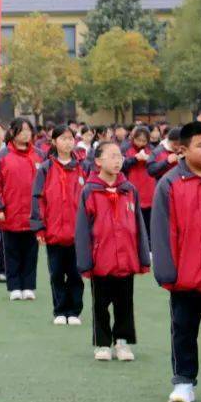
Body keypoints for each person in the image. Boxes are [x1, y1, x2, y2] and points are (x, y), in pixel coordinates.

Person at [150, 121, 201, 402]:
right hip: (185, 276)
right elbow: (160, 233)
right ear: (182, 150)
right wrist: (167, 272)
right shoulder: (169, 185)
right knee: (184, 330)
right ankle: (184, 383)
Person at [75, 140, 149, 362]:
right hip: (101, 259)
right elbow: (82, 229)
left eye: (120, 156)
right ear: (98, 161)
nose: (118, 160)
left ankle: (123, 342)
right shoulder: (90, 191)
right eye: (112, 156)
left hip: (126, 259)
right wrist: (85, 262)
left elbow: (138, 226)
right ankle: (102, 343)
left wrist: (142, 256)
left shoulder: (129, 190)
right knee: (100, 304)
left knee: (125, 303)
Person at [30, 125, 85, 326]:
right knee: (56, 273)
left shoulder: (82, 167)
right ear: (54, 142)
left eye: (71, 138)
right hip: (53, 231)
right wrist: (39, 227)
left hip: (78, 233)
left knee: (76, 274)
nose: (68, 142)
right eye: (63, 138)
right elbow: (38, 198)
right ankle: (60, 310)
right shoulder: (46, 168)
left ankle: (75, 310)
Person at [0, 117, 43, 301]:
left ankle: (28, 286)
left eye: (29, 130)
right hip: (10, 212)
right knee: (11, 250)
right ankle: (14, 286)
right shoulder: (2, 156)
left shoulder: (39, 155)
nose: (26, 134)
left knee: (31, 251)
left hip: (32, 213)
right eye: (22, 130)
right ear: (13, 132)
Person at [121, 125, 157, 234]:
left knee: (149, 222)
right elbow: (122, 166)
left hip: (149, 189)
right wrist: (135, 159)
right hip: (133, 188)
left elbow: (157, 166)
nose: (141, 143)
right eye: (138, 140)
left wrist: (148, 159)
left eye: (144, 141)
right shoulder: (126, 149)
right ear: (133, 138)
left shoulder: (152, 150)